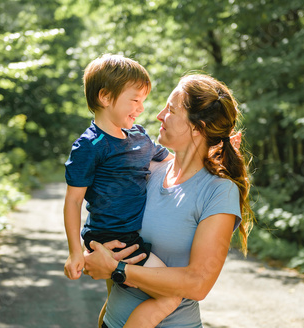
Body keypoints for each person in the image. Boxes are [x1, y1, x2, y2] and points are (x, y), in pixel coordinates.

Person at [83, 74, 253, 328]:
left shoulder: (218, 191)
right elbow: (108, 229)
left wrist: (117, 270)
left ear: (199, 127)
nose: (159, 115)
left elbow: (198, 283)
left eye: (171, 110)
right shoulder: (146, 169)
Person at [62, 54, 180, 328]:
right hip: (111, 238)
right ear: (105, 97)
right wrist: (74, 252)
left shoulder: (139, 136)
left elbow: (173, 161)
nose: (141, 108)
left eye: (143, 100)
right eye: (134, 99)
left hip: (134, 232)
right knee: (172, 294)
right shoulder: (89, 146)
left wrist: (213, 151)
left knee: (117, 300)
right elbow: (73, 201)